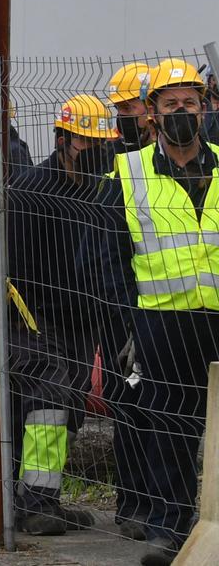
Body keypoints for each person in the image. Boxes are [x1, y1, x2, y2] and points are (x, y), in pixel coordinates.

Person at [95, 59, 219, 565]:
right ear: (152, 114)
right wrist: (126, 328)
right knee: (171, 426)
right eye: (171, 105)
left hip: (217, 318)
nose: (182, 112)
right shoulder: (127, 175)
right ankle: (169, 530)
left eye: (190, 102)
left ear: (205, 107)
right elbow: (105, 262)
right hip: (161, 323)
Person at [5, 94, 116, 537]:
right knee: (44, 403)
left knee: (70, 410)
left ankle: (41, 498)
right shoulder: (32, 189)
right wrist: (25, 319)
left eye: (100, 143)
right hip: (35, 319)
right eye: (86, 143)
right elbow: (16, 262)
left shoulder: (103, 189)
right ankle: (32, 503)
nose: (95, 152)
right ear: (63, 138)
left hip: (83, 318)